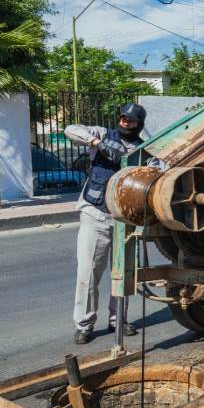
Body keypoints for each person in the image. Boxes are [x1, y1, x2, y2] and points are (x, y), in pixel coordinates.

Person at [64, 103, 147, 344]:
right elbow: (70, 129)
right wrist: (97, 144)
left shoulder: (142, 150)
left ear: (138, 123)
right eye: (122, 117)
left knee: (123, 273)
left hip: (125, 218)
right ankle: (84, 324)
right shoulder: (102, 133)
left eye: (130, 120)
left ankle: (118, 320)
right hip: (96, 214)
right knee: (88, 273)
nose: (125, 122)